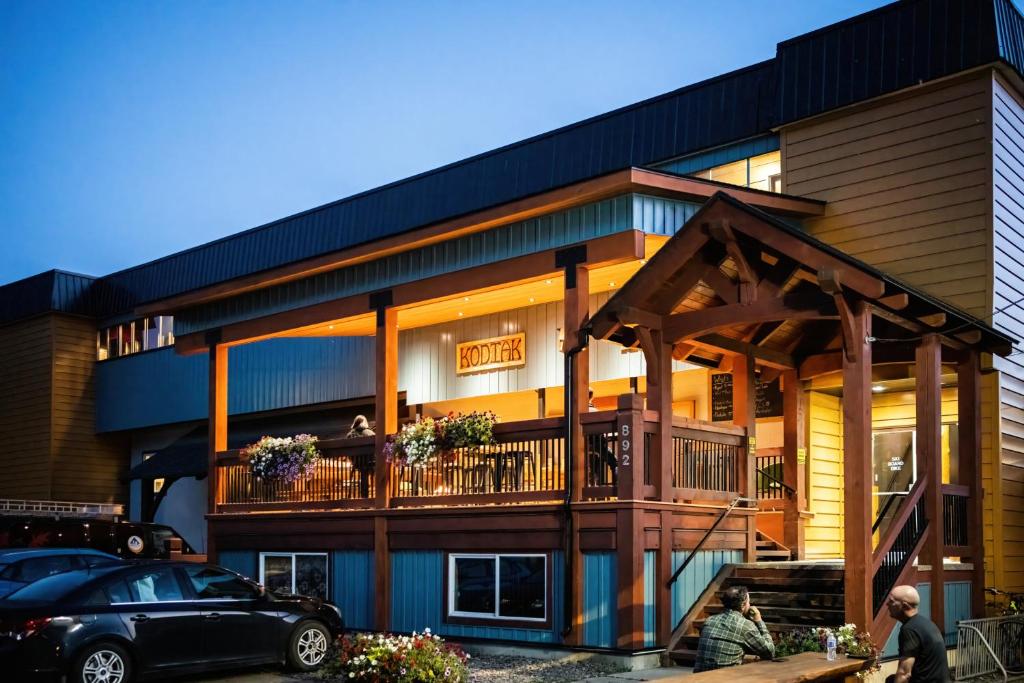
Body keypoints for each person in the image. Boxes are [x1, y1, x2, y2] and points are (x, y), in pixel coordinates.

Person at [693, 585, 775, 672]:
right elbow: (769, 653)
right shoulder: (745, 626)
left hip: (699, 678)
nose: (750, 605)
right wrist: (759, 621)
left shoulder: (709, 621)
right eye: (748, 602)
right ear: (743, 605)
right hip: (726, 678)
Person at [885, 585, 951, 683]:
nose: (887, 604)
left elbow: (904, 673)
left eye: (891, 601)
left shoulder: (909, 629)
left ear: (905, 606)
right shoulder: (925, 623)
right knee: (891, 680)